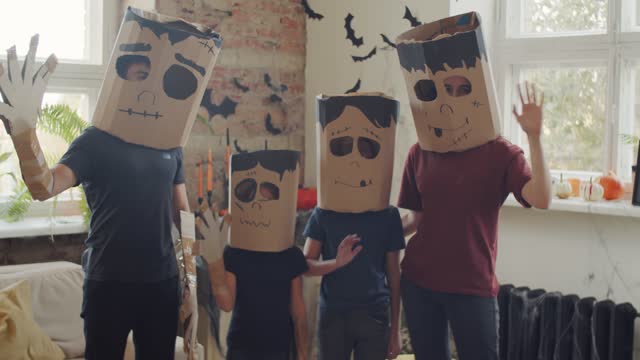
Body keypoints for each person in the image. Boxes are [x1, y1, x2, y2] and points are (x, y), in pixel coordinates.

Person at [0, 7, 221, 359]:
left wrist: (189, 282)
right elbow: (44, 187)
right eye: (141, 73)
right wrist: (24, 133)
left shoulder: (169, 143)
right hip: (109, 282)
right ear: (122, 77)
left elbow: (183, 214)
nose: (149, 90)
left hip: (161, 284)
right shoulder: (95, 142)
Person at [395, 12, 552, 360]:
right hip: (419, 282)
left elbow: (541, 199)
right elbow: (416, 221)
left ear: (478, 88)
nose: (452, 98)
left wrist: (535, 138)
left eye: (462, 88)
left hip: (471, 287)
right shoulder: (421, 151)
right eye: (443, 89)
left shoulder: (500, 154)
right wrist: (382, 230)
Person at [303, 93, 405, 360]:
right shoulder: (324, 213)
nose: (354, 160)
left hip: (375, 315)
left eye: (366, 147)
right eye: (342, 147)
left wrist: (396, 331)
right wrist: (336, 262)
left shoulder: (387, 216)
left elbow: (394, 275)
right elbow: (305, 266)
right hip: (333, 315)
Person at [197, 150, 309, 360]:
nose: (258, 205)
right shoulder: (236, 252)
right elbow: (226, 304)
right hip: (242, 346)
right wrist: (215, 262)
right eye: (251, 196)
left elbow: (298, 310)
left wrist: (302, 354)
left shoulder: (290, 254)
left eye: (268, 198)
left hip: (278, 348)